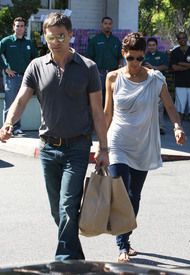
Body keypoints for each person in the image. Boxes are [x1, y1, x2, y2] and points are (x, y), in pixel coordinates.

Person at [0, 12, 109, 260]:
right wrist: (8, 122)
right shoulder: (36, 66)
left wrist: (104, 149)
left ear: (70, 35)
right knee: (57, 211)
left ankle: (64, 262)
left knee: (68, 205)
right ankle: (76, 257)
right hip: (48, 148)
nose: (56, 41)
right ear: (45, 38)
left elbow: (97, 112)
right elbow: (20, 99)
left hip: (78, 147)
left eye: (61, 35)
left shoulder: (88, 67)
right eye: (51, 37)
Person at [102, 32, 186, 262]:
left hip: (143, 143)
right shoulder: (112, 78)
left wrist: (178, 127)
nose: (136, 63)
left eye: (139, 58)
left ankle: (126, 237)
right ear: (123, 55)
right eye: (131, 58)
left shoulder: (155, 79)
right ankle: (122, 245)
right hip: (118, 141)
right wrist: (101, 145)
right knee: (120, 193)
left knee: (134, 196)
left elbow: (169, 106)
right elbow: (107, 113)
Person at [0, 17, 38, 136]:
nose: (19, 28)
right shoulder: (7, 41)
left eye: (22, 26)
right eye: (17, 26)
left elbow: (35, 58)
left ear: (24, 28)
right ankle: (6, 129)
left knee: (20, 102)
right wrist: (5, 68)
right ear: (13, 27)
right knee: (10, 102)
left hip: (26, 78)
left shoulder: (28, 43)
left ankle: (16, 128)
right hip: (12, 77)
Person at [85, 16, 123, 107]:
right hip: (100, 74)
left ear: (112, 25)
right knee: (99, 99)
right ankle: (99, 120)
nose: (107, 26)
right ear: (101, 25)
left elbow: (120, 57)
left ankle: (111, 120)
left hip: (113, 73)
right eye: (105, 24)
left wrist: (120, 70)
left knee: (113, 99)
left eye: (109, 24)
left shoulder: (116, 41)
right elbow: (88, 59)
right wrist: (95, 72)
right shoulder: (95, 40)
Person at [143, 37, 169, 135]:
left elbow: (166, 66)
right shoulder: (144, 56)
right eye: (149, 45)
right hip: (147, 82)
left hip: (159, 81)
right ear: (147, 47)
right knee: (147, 105)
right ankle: (148, 126)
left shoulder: (162, 55)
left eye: (153, 45)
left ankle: (160, 126)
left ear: (157, 46)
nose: (152, 47)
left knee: (160, 106)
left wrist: (153, 68)